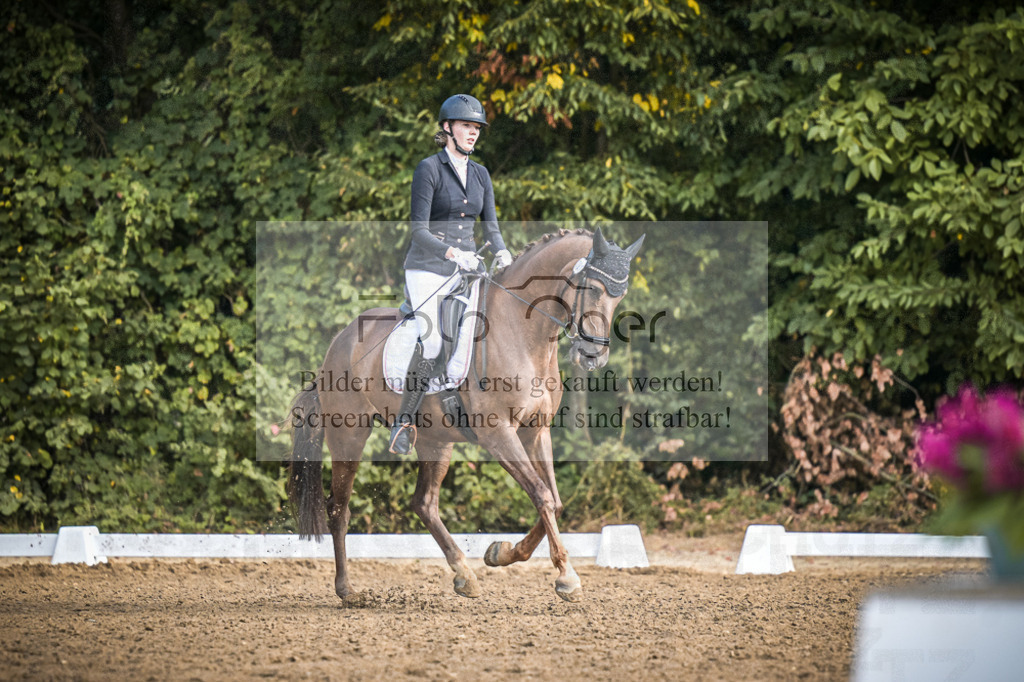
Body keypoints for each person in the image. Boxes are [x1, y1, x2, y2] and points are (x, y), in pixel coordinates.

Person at [389, 94, 513, 455]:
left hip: (469, 268)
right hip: (428, 267)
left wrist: (502, 250)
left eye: (476, 129)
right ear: (447, 128)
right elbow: (419, 231)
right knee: (431, 339)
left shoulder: (481, 174)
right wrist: (453, 253)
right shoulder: (428, 169)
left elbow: (491, 226)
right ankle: (404, 421)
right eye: (466, 127)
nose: (473, 134)